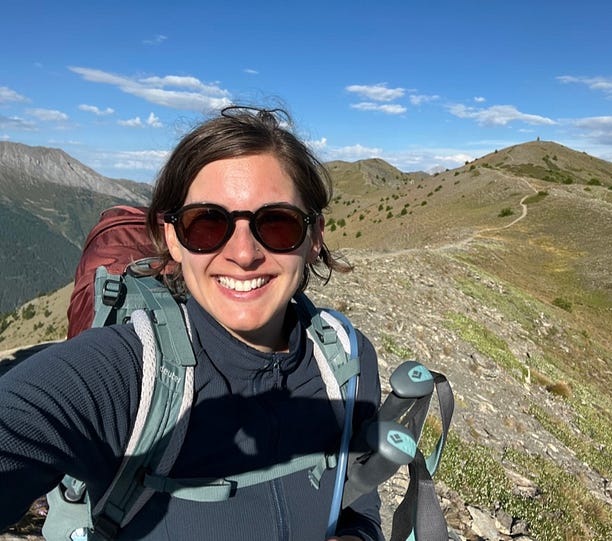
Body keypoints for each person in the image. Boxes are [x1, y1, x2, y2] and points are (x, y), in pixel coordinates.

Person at [0, 106, 384, 540]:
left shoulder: (346, 359)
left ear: (314, 238)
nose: (243, 254)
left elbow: (358, 497)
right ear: (172, 239)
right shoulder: (126, 373)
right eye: (206, 223)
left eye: (277, 223)